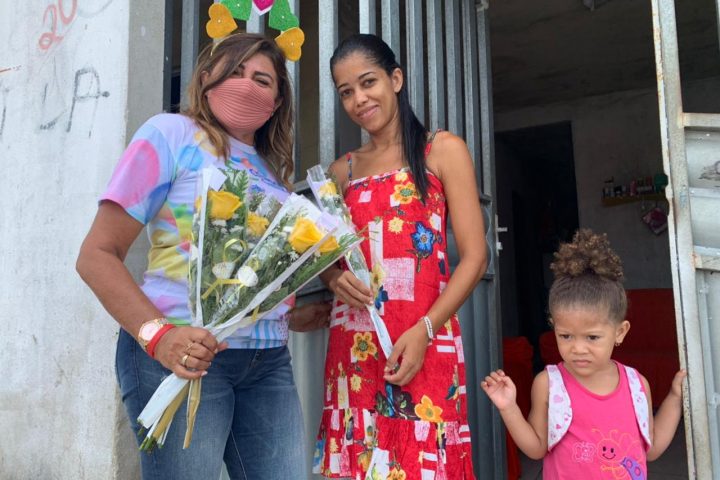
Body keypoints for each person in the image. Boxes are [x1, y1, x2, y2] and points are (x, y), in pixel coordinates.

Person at [76, 33, 329, 480]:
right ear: (207, 77)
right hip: (183, 355)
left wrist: (287, 315)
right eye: (235, 71)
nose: (246, 85)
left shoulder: (272, 173)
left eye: (262, 80)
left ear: (276, 103)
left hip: (268, 362)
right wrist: (160, 337)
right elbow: (96, 255)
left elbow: (245, 277)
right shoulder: (170, 134)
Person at [313, 34, 488, 480]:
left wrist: (425, 330)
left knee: (425, 461)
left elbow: (475, 257)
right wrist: (332, 279)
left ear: (396, 79)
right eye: (346, 91)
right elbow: (326, 260)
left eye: (368, 82)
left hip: (423, 339)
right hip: (355, 347)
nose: (358, 99)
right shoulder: (341, 171)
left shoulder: (441, 150)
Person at [482, 229, 686, 479]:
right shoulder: (549, 384)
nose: (578, 349)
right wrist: (509, 408)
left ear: (620, 332)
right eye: (566, 336)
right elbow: (536, 449)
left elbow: (650, 449)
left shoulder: (636, 385)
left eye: (592, 337)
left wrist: (675, 398)